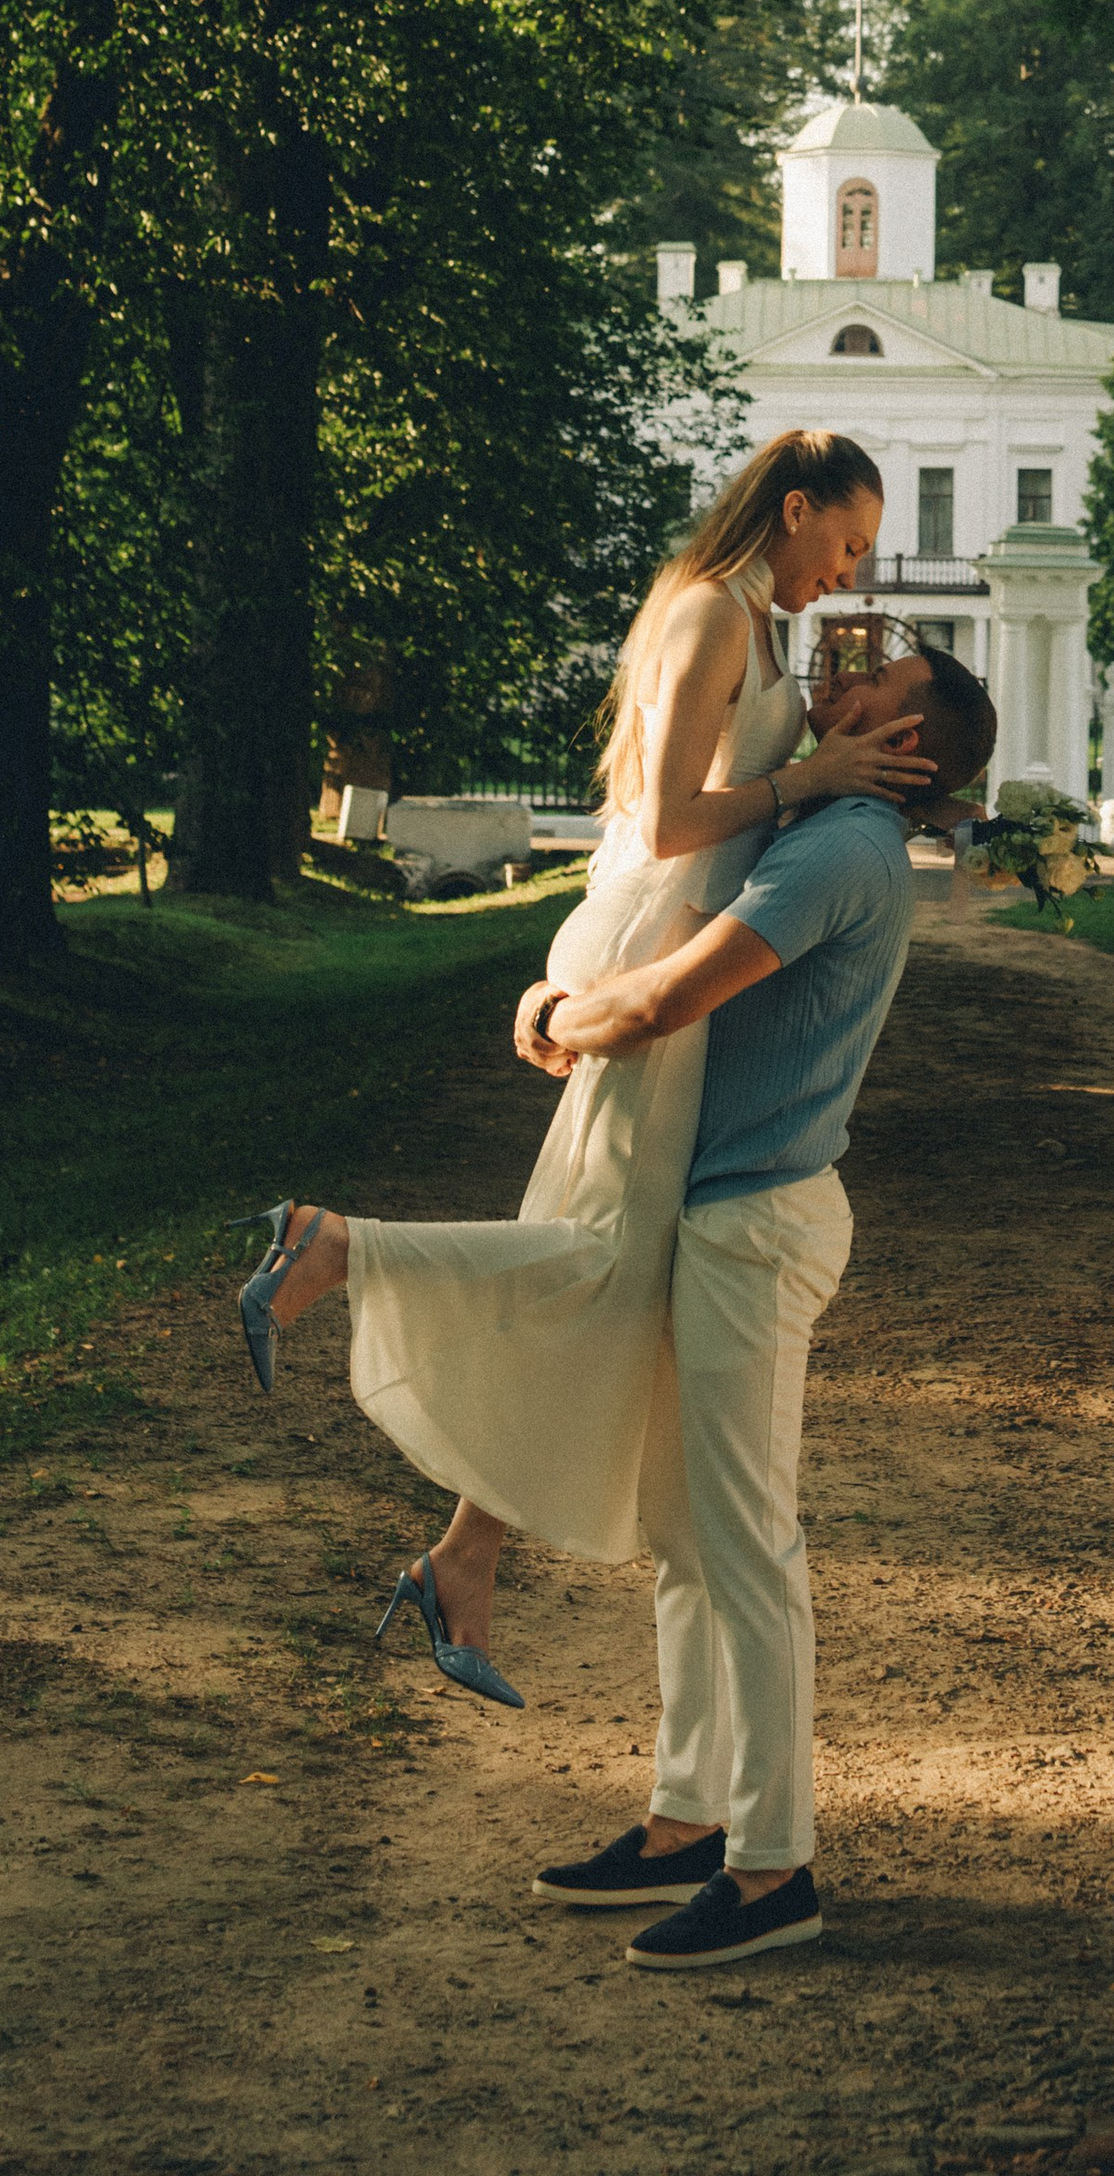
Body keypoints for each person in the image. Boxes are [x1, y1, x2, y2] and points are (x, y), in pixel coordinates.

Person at [233, 429, 937, 1700]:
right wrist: (811, 780)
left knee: (619, 1275)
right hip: (657, 947)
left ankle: (463, 1560)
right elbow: (668, 823)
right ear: (789, 512)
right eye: (843, 545)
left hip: (690, 948)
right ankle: (336, 1247)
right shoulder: (708, 616)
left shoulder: (761, 620)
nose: (849, 574)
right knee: (608, 1256)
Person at [520, 638, 998, 1969]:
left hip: (752, 1226)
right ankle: (683, 1823)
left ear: (909, 743)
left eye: (879, 682)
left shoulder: (842, 852)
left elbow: (672, 999)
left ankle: (776, 1863)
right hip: (716, 1210)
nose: (843, 677)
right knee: (688, 1539)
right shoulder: (820, 821)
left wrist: (559, 1009)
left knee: (746, 1550)